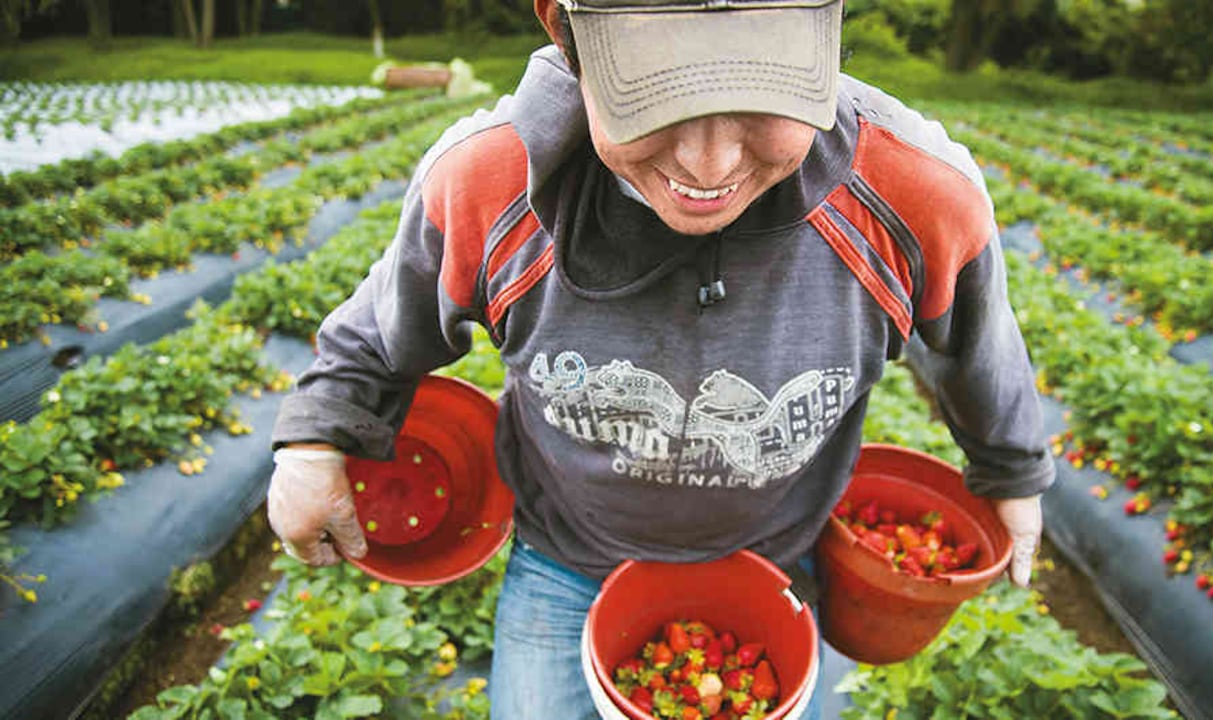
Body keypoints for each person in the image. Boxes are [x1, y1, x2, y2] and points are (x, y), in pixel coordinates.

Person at [266, 0, 1055, 716]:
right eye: (653, 97)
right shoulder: (487, 184)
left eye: (760, 94)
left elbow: (977, 343)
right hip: (565, 565)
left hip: (774, 566)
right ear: (568, 39)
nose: (709, 167)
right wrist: (311, 443)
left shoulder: (913, 196)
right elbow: (379, 333)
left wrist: (1013, 474)